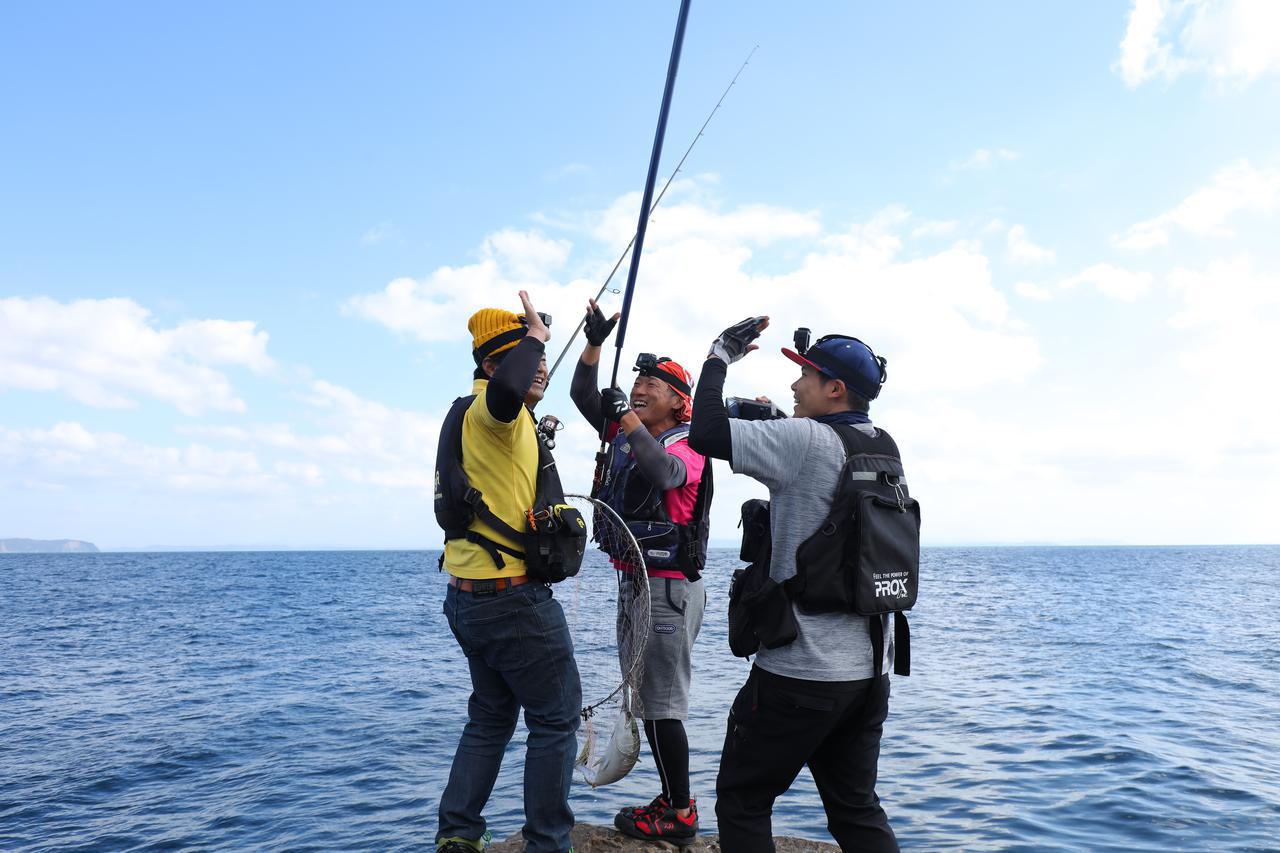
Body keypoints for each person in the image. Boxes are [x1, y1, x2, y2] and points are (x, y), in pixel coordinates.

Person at [689, 316, 903, 853]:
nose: (794, 383)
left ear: (834, 388)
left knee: (742, 799)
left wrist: (718, 356)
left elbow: (705, 431)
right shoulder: (881, 445)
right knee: (855, 809)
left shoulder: (804, 440)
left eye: (805, 373)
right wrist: (777, 422)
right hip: (869, 668)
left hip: (802, 667)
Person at [434, 291, 582, 853]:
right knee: (555, 720)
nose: (539, 367)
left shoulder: (485, 416)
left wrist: (584, 340)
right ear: (493, 367)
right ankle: (548, 844)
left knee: (492, 716)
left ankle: (458, 834)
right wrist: (537, 336)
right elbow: (505, 391)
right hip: (513, 601)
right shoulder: (492, 411)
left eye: (542, 358)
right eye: (527, 358)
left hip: (468, 597)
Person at [568, 298, 711, 846]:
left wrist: (626, 417)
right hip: (634, 582)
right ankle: (671, 799)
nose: (641, 386)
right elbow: (585, 394)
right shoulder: (628, 432)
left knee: (662, 703)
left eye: (653, 382)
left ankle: (682, 811)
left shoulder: (689, 442)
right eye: (639, 379)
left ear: (680, 402)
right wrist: (595, 343)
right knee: (645, 700)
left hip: (669, 588)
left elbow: (668, 475)